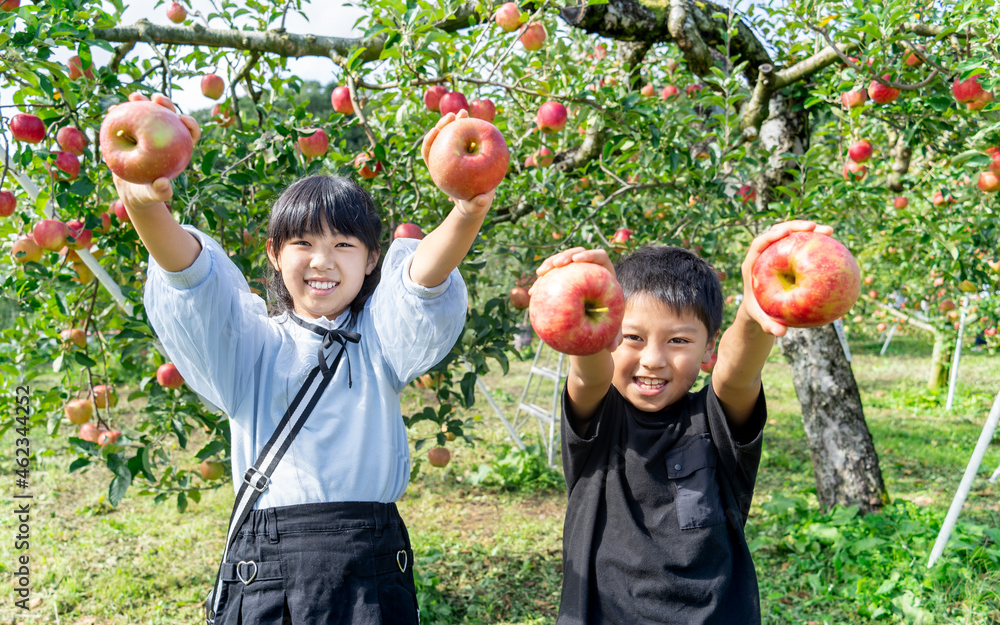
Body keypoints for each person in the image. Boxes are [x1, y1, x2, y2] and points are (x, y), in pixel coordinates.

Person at [111, 92, 495, 624]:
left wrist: (465, 208)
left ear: (371, 259)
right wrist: (145, 204)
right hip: (270, 566)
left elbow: (422, 283)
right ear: (273, 252)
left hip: (372, 559)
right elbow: (194, 285)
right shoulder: (252, 349)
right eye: (302, 243)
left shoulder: (380, 342)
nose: (322, 261)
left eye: (344, 245)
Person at [536, 220, 833, 624]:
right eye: (631, 337)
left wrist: (756, 306)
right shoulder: (599, 421)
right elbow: (589, 372)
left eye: (678, 341)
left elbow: (736, 370)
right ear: (608, 337)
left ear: (708, 349)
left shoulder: (714, 421)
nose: (653, 359)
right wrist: (591, 300)